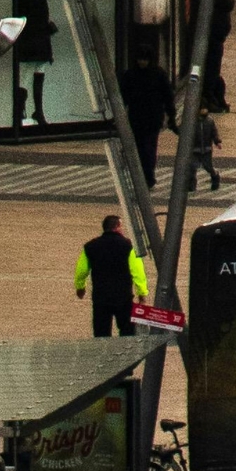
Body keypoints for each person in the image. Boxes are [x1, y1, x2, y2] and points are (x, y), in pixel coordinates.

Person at [74, 215, 150, 337]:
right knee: (127, 333)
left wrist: (80, 287)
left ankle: (103, 355)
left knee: (101, 333)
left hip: (101, 297)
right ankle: (125, 355)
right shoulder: (128, 246)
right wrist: (142, 293)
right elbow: (137, 272)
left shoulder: (90, 246)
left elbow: (81, 270)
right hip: (123, 297)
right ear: (117, 227)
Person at [118, 52, 175, 187]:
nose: (142, 62)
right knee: (140, 148)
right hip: (137, 117)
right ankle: (143, 176)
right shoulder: (131, 75)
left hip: (152, 118)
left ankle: (148, 176)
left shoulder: (158, 74)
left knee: (148, 148)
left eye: (144, 59)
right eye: (140, 59)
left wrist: (171, 114)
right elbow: (123, 96)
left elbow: (167, 96)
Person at [203, 0, 236, 112]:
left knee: (214, 69)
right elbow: (229, 3)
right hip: (214, 36)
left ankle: (215, 99)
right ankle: (210, 99)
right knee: (212, 68)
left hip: (217, 36)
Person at [190, 106, 223, 191]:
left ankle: (215, 177)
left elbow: (214, 133)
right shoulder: (192, 121)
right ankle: (191, 185)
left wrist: (217, 142)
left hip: (206, 149)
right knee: (192, 167)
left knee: (208, 166)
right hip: (194, 149)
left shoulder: (209, 121)